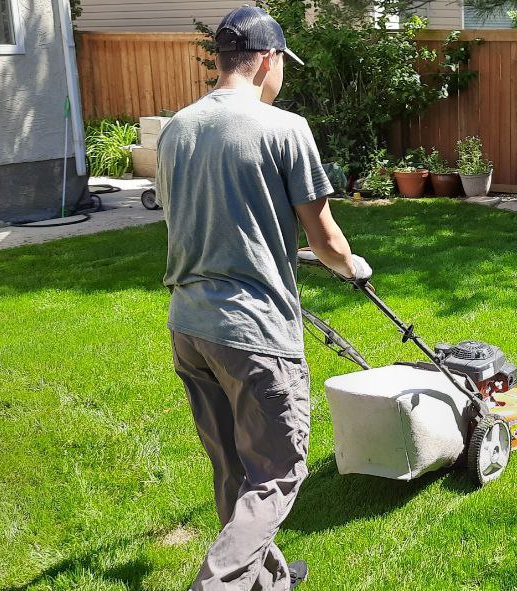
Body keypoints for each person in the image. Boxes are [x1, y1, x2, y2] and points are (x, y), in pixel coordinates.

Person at [155, 5, 371, 590]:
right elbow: (325, 239)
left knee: (233, 467)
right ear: (268, 61)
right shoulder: (284, 128)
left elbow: (193, 222)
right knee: (277, 473)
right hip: (253, 334)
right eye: (284, 66)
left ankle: (262, 579)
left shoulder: (178, 128)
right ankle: (218, 586)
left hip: (189, 324)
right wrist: (352, 267)